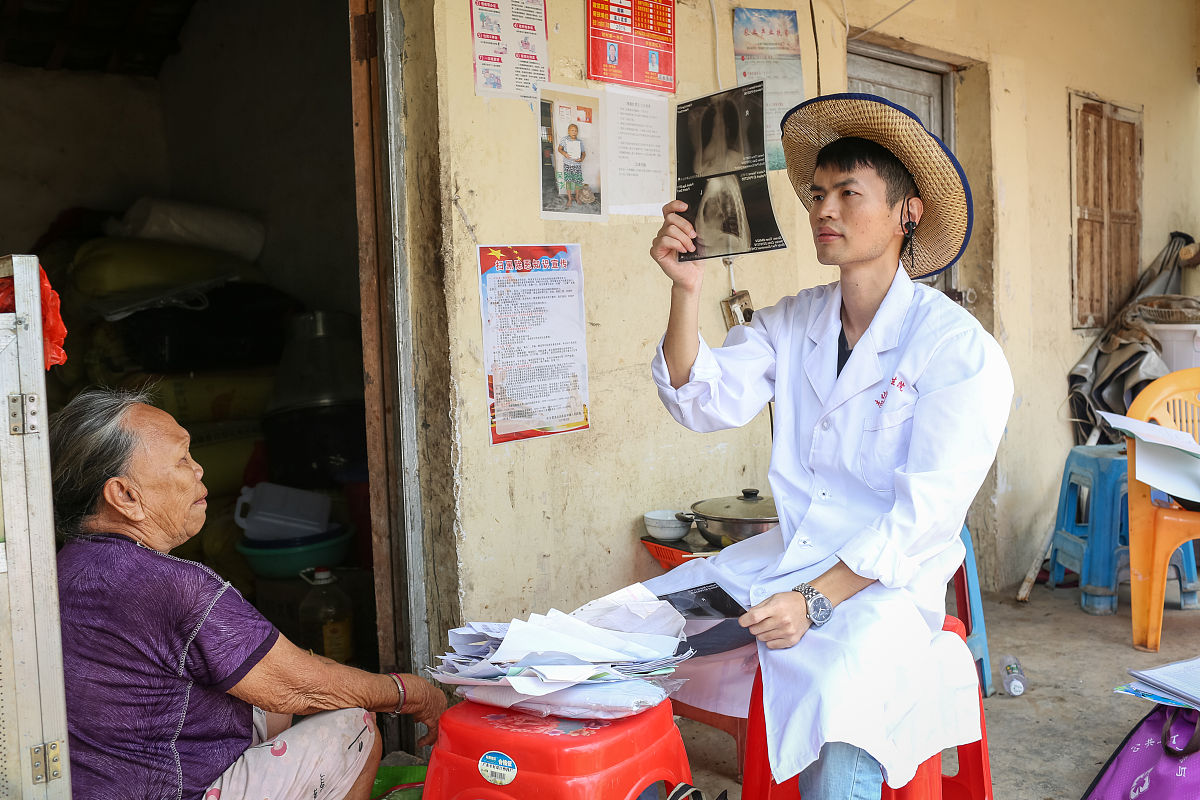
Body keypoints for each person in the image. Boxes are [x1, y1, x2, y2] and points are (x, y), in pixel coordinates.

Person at [643, 93, 1013, 797]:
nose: (825, 210)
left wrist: (813, 601)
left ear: (908, 212)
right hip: (784, 561)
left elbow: (922, 520)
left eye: (849, 193)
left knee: (844, 703)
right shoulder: (795, 322)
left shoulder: (958, 350)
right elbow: (700, 398)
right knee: (630, 629)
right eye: (817, 195)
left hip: (883, 590)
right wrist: (686, 291)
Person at [49, 388, 447, 800]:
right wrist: (408, 692)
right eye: (182, 458)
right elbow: (301, 685)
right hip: (164, 788)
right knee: (352, 726)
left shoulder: (58, 570)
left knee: (269, 702)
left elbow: (281, 674)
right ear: (125, 496)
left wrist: (309, 675)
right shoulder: (170, 585)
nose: (198, 469)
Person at [557, 123, 587, 208]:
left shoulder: (579, 142)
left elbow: (584, 153)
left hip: (577, 165)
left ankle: (577, 197)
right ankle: (570, 199)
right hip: (567, 165)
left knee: (578, 182)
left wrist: (581, 159)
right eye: (572, 130)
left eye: (576, 131)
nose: (574, 132)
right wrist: (565, 154)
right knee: (568, 182)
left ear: (577, 132)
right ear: (568, 131)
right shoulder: (564, 139)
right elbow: (559, 149)